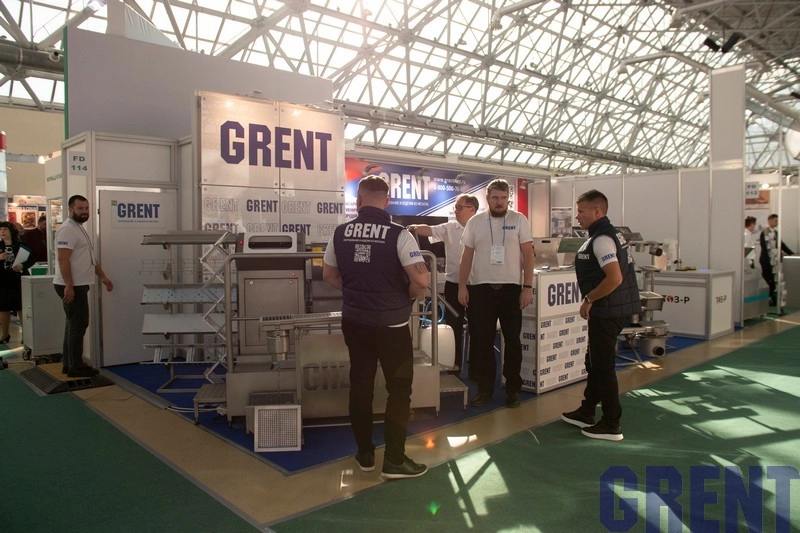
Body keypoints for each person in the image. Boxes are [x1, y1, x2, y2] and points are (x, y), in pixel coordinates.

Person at [322, 175, 430, 479]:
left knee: (361, 385)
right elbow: (422, 280)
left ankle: (365, 454)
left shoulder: (340, 233)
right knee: (399, 390)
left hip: (355, 322)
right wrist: (406, 295)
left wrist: (354, 292)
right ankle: (394, 460)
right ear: (387, 201)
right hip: (392, 325)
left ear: (359, 200)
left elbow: (328, 275)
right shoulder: (400, 234)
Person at [561, 189, 640, 441]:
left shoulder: (602, 239)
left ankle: (611, 422)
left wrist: (589, 299)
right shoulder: (608, 234)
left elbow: (614, 278)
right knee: (594, 362)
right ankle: (586, 411)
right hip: (612, 309)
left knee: (602, 366)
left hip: (607, 310)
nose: (577, 216)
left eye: (581, 211)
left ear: (597, 211)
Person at [458, 178, 534, 409]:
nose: (499, 202)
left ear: (508, 199)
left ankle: (513, 389)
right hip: (481, 289)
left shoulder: (519, 220)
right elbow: (467, 256)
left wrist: (527, 287)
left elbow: (528, 254)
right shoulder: (475, 222)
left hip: (511, 290)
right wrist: (462, 286)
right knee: (482, 342)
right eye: (495, 198)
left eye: (503, 198)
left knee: (512, 342)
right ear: (487, 198)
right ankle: (485, 389)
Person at [407, 194, 479, 376]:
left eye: (460, 207)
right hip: (454, 283)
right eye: (455, 207)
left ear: (472, 209)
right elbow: (429, 230)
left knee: (478, 327)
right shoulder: (450, 227)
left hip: (477, 284)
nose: (456, 211)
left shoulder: (482, 227)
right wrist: (414, 227)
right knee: (454, 326)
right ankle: (455, 368)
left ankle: (476, 369)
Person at [53, 195, 114, 378]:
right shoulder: (68, 230)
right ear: (71, 209)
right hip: (72, 285)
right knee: (78, 325)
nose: (84, 212)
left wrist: (102, 276)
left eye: (86, 208)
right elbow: (63, 259)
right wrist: (69, 285)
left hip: (77, 284)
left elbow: (90, 258)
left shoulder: (78, 228)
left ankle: (69, 364)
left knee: (73, 324)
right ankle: (76, 366)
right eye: (80, 208)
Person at [0, 221, 37, 343]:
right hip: (3, 281)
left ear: (11, 231)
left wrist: (22, 265)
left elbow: (31, 259)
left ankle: (26, 335)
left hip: (18, 279)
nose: (2, 232)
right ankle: (4, 334)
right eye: (0, 230)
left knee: (21, 307)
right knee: (3, 308)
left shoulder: (21, 245)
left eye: (5, 229)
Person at [759, 213, 794, 306]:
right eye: (775, 221)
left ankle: (772, 297)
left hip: (774, 261)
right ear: (770, 221)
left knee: (774, 279)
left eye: (777, 221)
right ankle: (766, 298)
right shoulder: (764, 233)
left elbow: (781, 245)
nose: (777, 223)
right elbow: (765, 247)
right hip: (766, 261)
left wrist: (792, 253)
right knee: (767, 279)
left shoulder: (776, 233)